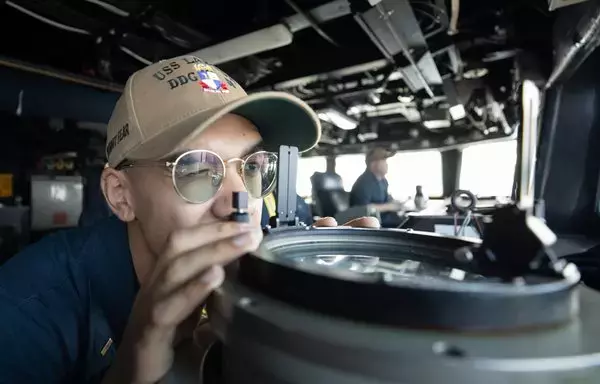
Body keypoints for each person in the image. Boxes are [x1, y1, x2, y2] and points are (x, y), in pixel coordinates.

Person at [0, 56, 378, 384]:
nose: (240, 200)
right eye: (196, 169)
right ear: (121, 195)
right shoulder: (25, 310)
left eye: (252, 167)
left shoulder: (255, 277)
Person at [350, 147, 404, 228]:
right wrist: (390, 207)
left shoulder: (383, 181)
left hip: (385, 220)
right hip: (371, 224)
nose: (387, 164)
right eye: (384, 161)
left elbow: (387, 200)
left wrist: (398, 204)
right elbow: (363, 209)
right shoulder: (364, 182)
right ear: (373, 163)